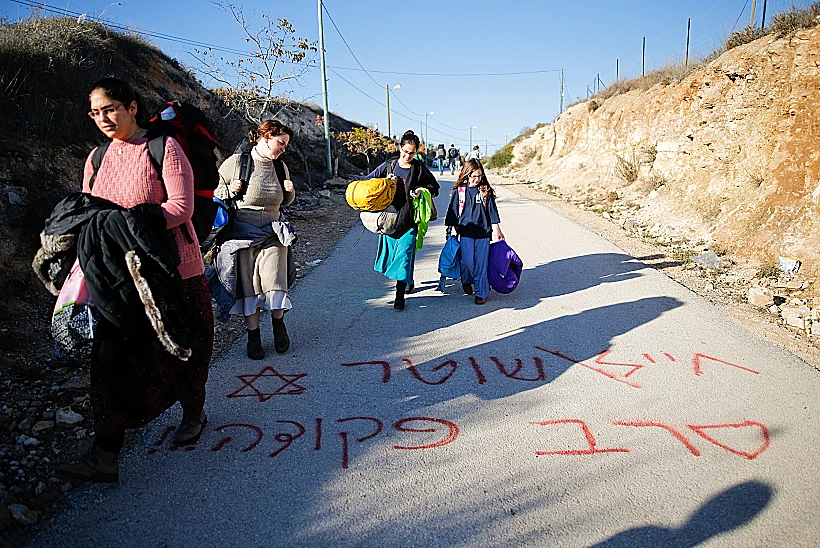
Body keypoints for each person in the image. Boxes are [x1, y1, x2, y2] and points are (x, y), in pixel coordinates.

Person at [55, 77, 214, 483]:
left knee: (185, 347)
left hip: (173, 269)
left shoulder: (163, 147)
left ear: (131, 107)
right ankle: (105, 453)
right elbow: (87, 209)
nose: (103, 118)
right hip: (116, 277)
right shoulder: (95, 157)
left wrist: (130, 221)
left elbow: (180, 207)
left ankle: (193, 413)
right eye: (95, 112)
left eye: (110, 109)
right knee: (108, 360)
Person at [211, 120, 295, 360]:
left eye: (285, 145)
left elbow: (284, 201)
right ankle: (253, 335)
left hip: (273, 232)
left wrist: (290, 192)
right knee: (249, 286)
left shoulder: (281, 167)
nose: (283, 149)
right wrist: (229, 190)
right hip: (241, 234)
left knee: (275, 280)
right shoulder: (237, 163)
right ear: (266, 137)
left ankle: (279, 326)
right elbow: (214, 190)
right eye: (281, 143)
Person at [366, 130, 439, 310]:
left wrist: (420, 191)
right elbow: (368, 181)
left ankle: (399, 296)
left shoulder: (419, 168)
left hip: (409, 220)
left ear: (416, 152)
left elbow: (434, 187)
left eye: (412, 153)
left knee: (404, 255)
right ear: (400, 148)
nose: (407, 156)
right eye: (405, 151)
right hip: (389, 220)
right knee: (395, 257)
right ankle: (409, 280)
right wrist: (384, 181)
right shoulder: (389, 165)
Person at [444, 159, 504, 304]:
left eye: (480, 176)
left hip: (483, 232)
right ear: (466, 174)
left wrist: (498, 231)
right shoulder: (460, 191)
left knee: (481, 264)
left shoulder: (484, 190)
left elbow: (492, 212)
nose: (477, 179)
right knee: (467, 262)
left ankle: (481, 292)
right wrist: (451, 230)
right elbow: (452, 212)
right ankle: (466, 280)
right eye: (474, 176)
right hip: (465, 232)